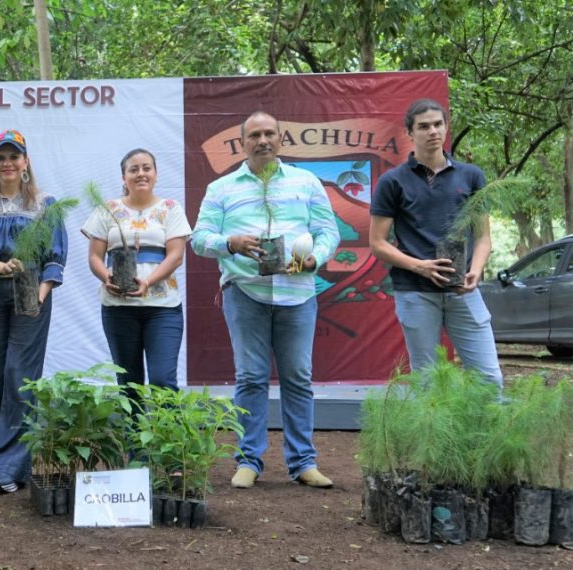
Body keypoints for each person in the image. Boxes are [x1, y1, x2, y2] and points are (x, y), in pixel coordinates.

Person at [191, 111, 340, 489]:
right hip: (245, 292)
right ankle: (249, 461)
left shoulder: (306, 183)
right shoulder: (221, 188)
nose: (262, 141)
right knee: (251, 377)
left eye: (269, 134)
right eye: (254, 135)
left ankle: (303, 463)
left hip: (298, 293)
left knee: (298, 378)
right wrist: (231, 243)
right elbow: (198, 238)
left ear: (280, 139)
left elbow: (328, 232)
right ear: (243, 143)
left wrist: (315, 259)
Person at [0, 129, 67, 494]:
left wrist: (40, 293)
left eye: (14, 156)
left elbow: (54, 256)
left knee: (20, 375)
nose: (7, 163)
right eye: (0, 157)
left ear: (26, 161)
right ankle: (13, 459)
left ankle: (3, 468)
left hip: (29, 291)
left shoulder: (45, 203)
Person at [369, 98, 503, 387]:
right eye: (424, 126)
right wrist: (421, 267)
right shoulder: (392, 181)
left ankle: (483, 434)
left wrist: (476, 271)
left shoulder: (471, 175)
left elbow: (483, 237)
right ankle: (435, 435)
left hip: (464, 290)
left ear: (445, 128)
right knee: (428, 381)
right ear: (410, 132)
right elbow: (378, 243)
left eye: (438, 124)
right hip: (415, 292)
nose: (432, 131)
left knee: (489, 379)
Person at [80, 148, 192, 420]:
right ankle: (137, 454)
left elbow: (176, 256)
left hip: (162, 307)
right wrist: (106, 277)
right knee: (129, 384)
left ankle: (172, 455)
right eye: (133, 169)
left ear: (155, 174)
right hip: (118, 307)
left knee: (162, 381)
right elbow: (95, 256)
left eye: (146, 168)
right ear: (123, 177)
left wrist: (149, 281)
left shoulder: (170, 208)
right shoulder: (108, 209)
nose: (140, 173)